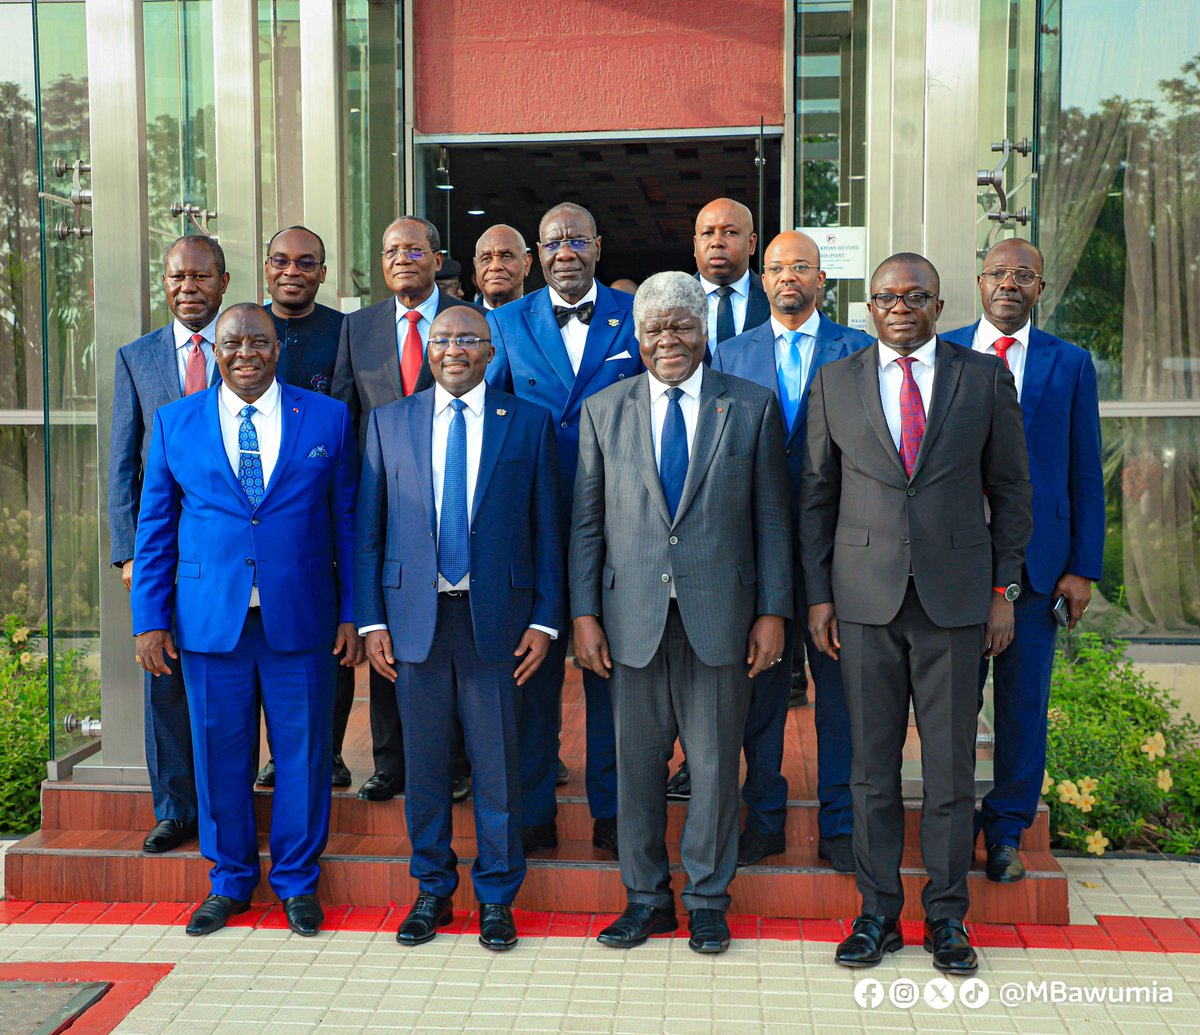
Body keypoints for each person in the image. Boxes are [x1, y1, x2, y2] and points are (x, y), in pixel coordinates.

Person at [801, 254, 1032, 975]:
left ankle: (946, 918)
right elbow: (815, 496)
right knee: (869, 769)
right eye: (885, 297)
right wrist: (818, 595)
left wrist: (1003, 590)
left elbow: (1013, 492)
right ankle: (876, 913)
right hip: (863, 602)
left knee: (950, 771)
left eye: (915, 296)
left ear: (938, 303)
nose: (900, 306)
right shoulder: (836, 380)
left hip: (957, 601)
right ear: (868, 307)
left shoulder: (983, 377)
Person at [571, 272, 792, 955]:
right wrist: (583, 613)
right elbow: (586, 523)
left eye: (681, 325)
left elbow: (773, 520)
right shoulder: (604, 409)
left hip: (720, 618)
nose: (668, 339)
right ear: (637, 339)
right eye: (654, 329)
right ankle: (644, 899)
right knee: (636, 770)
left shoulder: (750, 406)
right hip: (629, 619)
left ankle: (705, 900)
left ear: (704, 332)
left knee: (717, 768)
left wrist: (773, 611)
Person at [131, 304, 362, 937]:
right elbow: (155, 532)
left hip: (303, 621)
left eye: (258, 341)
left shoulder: (328, 418)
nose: (245, 353)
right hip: (209, 626)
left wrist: (353, 614)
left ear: (277, 347)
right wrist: (149, 620)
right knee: (219, 759)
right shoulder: (175, 422)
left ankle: (296, 883)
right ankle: (229, 882)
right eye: (232, 342)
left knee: (304, 758)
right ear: (218, 347)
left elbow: (348, 522)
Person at [357, 306, 562, 952]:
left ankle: (497, 896)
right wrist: (370, 620)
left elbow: (548, 531)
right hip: (414, 622)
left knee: (498, 765)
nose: (453, 349)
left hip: (496, 620)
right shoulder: (390, 423)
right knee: (424, 767)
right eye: (442, 338)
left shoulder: (527, 422)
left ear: (490, 350)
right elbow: (367, 533)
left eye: (467, 339)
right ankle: (432, 889)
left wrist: (545, 619)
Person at [943, 239, 1104, 882]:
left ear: (1040, 287)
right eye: (998, 275)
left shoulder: (1071, 364)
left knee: (1022, 706)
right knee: (950, 706)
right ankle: (951, 826)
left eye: (1023, 277)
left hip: (1039, 569)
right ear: (979, 282)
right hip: (952, 563)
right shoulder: (945, 350)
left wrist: (1083, 566)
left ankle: (1005, 830)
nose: (1009, 285)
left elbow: (1085, 470)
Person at [711, 231, 872, 871]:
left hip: (841, 555)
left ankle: (839, 825)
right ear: (761, 275)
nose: (786, 278)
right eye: (776, 268)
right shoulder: (729, 352)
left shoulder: (858, 350)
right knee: (758, 700)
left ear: (820, 279)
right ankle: (764, 818)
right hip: (755, 554)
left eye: (799, 268)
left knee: (841, 699)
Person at [487, 202, 642, 858]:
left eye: (578, 239)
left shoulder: (635, 316)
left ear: (599, 246)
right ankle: (532, 814)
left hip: (622, 523)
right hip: (532, 525)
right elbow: (488, 411)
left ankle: (613, 812)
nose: (565, 251)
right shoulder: (502, 322)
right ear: (536, 257)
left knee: (612, 673)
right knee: (532, 673)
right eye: (553, 242)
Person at [333, 215, 485, 804]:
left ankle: (457, 763)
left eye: (414, 249)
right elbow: (349, 416)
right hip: (389, 503)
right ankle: (391, 762)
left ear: (436, 257)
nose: (403, 258)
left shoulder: (466, 324)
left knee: (452, 646)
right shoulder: (360, 328)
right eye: (391, 249)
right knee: (392, 640)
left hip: (456, 500)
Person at [108, 234, 228, 857]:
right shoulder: (138, 357)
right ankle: (175, 809)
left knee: (232, 681)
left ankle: (229, 805)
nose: (189, 287)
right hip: (161, 554)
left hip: (231, 550)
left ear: (223, 282)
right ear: (165, 283)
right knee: (165, 681)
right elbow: (122, 463)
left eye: (201, 277)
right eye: (178, 277)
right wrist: (128, 553)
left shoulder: (248, 346)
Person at [257, 224, 355, 791]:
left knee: (325, 636)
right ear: (267, 268)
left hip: (324, 503)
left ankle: (332, 750)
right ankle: (274, 754)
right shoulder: (245, 330)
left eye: (305, 262)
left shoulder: (346, 333)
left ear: (323, 271)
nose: (292, 271)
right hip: (257, 508)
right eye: (281, 260)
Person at [694, 197, 770, 354]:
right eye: (707, 233)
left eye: (730, 232)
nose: (716, 242)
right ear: (695, 245)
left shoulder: (772, 297)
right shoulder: (670, 300)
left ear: (751, 244)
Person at [473, 224, 532, 310]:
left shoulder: (547, 319)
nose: (495, 266)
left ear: (526, 263)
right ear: (476, 266)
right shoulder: (461, 321)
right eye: (486, 258)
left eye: (506, 257)